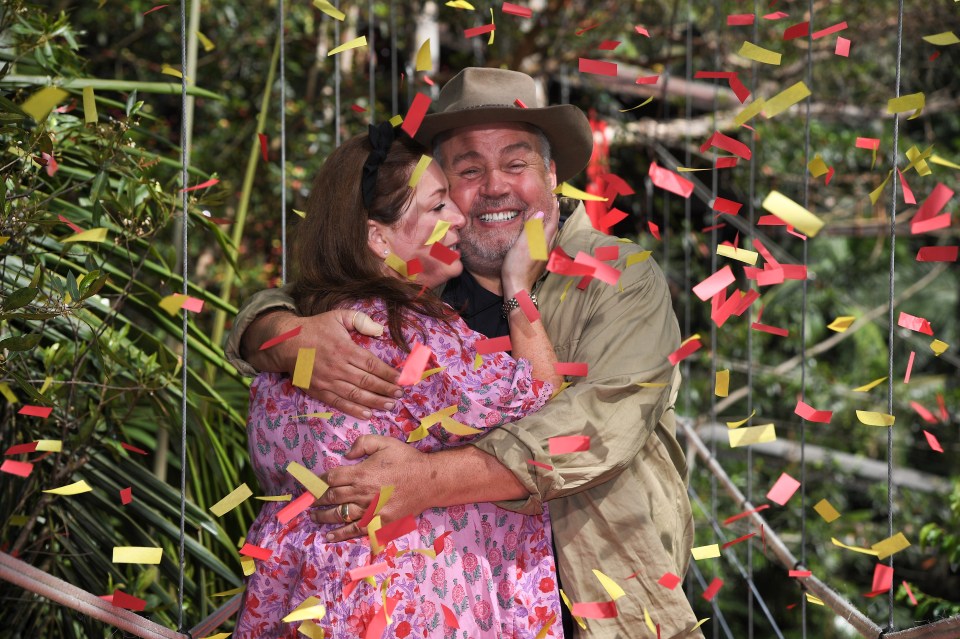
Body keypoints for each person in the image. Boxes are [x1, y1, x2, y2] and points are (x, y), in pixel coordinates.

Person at [228, 67, 701, 638]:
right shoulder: (425, 274)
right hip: (443, 608)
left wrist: (424, 481)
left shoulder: (620, 278)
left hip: (601, 604)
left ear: (552, 175)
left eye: (517, 163)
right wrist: (279, 331)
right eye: (469, 169)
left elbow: (596, 425)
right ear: (441, 185)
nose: (495, 186)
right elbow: (313, 289)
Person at [233, 123, 566, 638]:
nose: (458, 215)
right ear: (377, 236)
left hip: (317, 606)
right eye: (438, 207)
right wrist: (519, 286)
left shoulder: (315, 329)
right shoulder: (407, 336)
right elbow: (547, 411)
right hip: (404, 607)